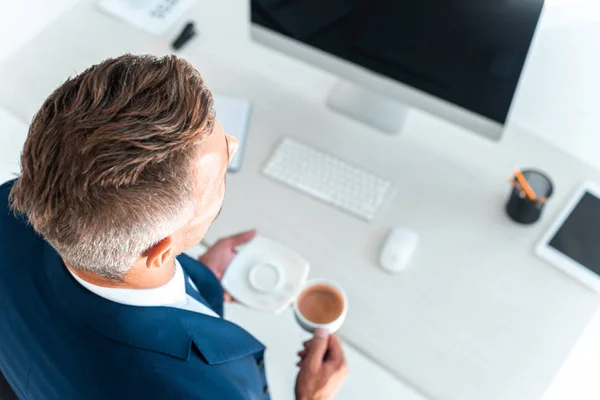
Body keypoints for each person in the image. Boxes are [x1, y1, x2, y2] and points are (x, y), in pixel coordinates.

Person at [0, 54, 348, 399]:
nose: (234, 144)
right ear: (158, 249)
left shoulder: (10, 205)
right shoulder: (191, 391)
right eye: (218, 175)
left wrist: (202, 280)